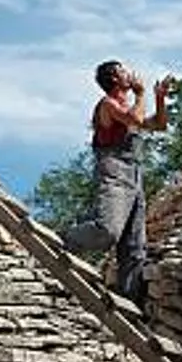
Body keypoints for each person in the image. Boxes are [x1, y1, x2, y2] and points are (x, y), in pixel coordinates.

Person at [65, 61, 172, 306]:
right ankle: (66, 239)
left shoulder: (127, 106)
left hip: (135, 173)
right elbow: (135, 118)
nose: (130, 72)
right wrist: (142, 93)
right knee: (108, 230)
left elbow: (159, 125)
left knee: (135, 248)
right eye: (124, 70)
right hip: (113, 169)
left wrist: (159, 98)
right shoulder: (108, 104)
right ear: (114, 78)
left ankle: (127, 304)